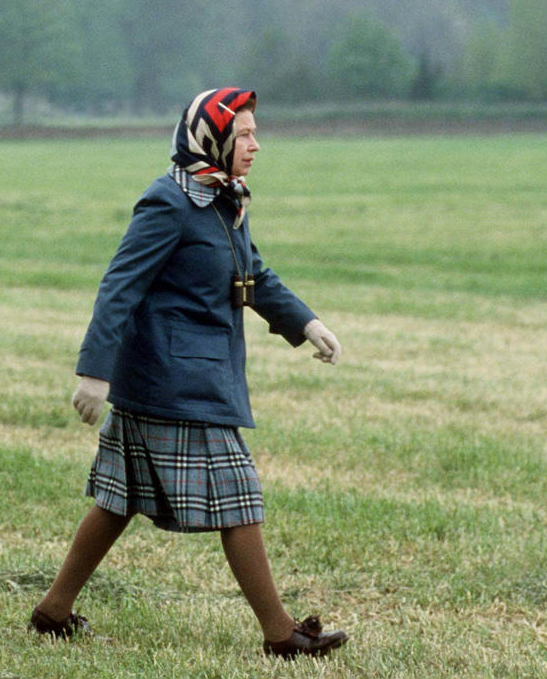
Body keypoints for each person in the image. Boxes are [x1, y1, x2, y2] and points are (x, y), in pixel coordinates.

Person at [30, 87, 348, 660]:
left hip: (193, 377)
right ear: (213, 138)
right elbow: (119, 286)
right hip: (174, 383)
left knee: (117, 500)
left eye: (253, 133)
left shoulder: (224, 200)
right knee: (240, 497)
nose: (255, 144)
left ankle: (52, 613)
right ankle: (282, 636)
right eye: (245, 133)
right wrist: (94, 372)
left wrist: (304, 322)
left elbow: (253, 274)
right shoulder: (168, 203)